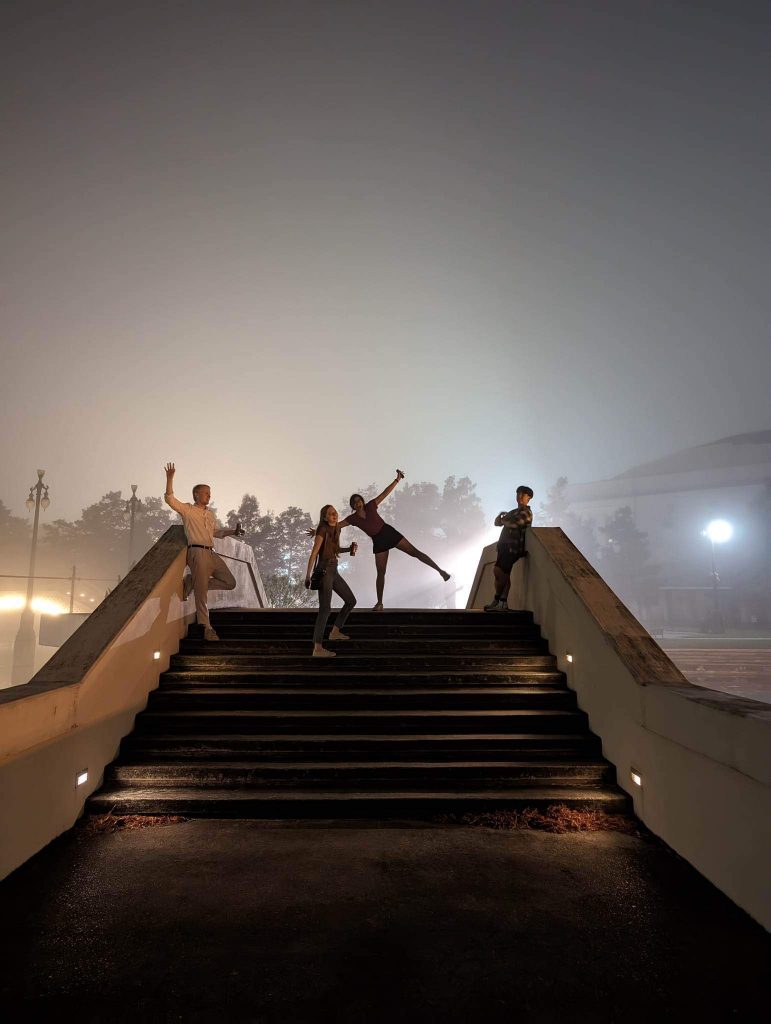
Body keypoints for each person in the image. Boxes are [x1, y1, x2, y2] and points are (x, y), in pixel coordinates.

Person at [335, 470, 451, 610]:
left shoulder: (371, 505)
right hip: (378, 541)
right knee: (381, 572)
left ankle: (440, 571)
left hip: (388, 532)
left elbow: (384, 493)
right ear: (352, 506)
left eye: (359, 500)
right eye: (355, 503)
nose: (358, 503)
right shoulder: (352, 519)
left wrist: (397, 480)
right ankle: (379, 603)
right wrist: (320, 529)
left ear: (362, 501)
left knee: (415, 552)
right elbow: (337, 525)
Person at [163, 462, 241, 640]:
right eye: (206, 493)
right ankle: (206, 627)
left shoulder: (209, 514)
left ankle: (193, 581)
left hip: (211, 553)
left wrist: (233, 532)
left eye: (209, 493)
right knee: (201, 592)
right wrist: (170, 479)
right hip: (197, 552)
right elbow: (170, 500)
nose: (209, 495)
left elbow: (216, 532)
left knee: (230, 582)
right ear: (196, 494)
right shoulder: (189, 510)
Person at [305, 504, 358, 658]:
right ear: (324, 517)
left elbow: (335, 550)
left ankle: (335, 632)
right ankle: (318, 648)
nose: (334, 515)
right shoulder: (322, 530)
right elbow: (314, 553)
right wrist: (308, 576)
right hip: (324, 571)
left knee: (350, 600)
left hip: (334, 570)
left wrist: (349, 549)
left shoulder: (336, 529)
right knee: (325, 609)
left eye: (335, 512)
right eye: (330, 513)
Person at [484, 485, 534, 612]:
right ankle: (499, 601)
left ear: (529, 498)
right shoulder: (513, 512)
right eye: (518, 494)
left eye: (523, 494)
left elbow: (514, 524)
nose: (519, 496)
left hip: (513, 547)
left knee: (501, 572)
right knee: (500, 573)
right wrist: (500, 516)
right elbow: (497, 523)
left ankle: (500, 601)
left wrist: (504, 520)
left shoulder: (526, 512)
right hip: (503, 546)